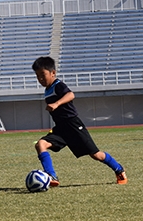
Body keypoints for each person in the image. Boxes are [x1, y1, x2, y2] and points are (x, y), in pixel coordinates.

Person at [31, 56, 127, 187]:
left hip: (73, 125)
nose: (40, 79)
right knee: (40, 145)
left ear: (53, 72)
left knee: (95, 154)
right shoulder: (47, 89)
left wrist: (57, 103)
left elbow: (71, 95)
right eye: (37, 76)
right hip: (61, 128)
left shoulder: (57, 85)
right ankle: (51, 175)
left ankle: (119, 169)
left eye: (43, 75)